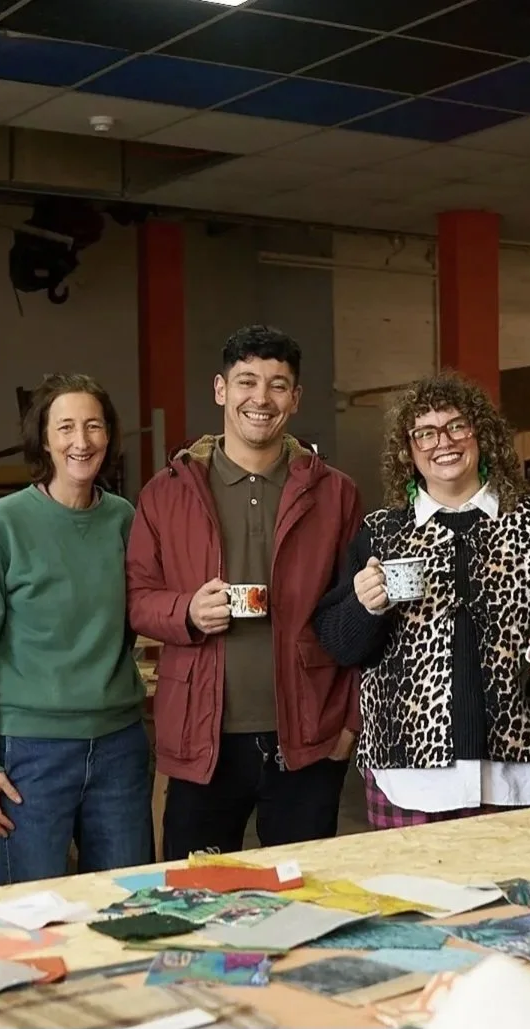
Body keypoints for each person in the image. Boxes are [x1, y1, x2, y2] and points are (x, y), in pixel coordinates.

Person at [127, 325, 362, 859]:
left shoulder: (335, 493)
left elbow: (359, 616)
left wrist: (350, 725)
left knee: (307, 899)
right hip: (200, 738)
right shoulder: (167, 492)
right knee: (198, 901)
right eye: (246, 381)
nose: (261, 398)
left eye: (278, 385)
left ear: (295, 399)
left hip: (308, 738)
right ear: (220, 389)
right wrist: (185, 609)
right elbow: (137, 596)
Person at [314, 372, 530, 828]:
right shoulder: (382, 531)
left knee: (527, 900)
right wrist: (366, 607)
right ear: (408, 451)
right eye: (424, 432)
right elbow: (340, 645)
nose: (441, 442)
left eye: (456, 426)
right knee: (417, 899)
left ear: (480, 435)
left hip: (520, 766)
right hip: (410, 772)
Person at [0, 373, 150, 885]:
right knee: (24, 916)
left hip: (119, 745)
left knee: (127, 908)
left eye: (93, 427)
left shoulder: (125, 519)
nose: (80, 442)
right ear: (44, 439)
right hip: (31, 753)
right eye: (65, 428)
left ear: (109, 436)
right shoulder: (2, 524)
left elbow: (129, 622)